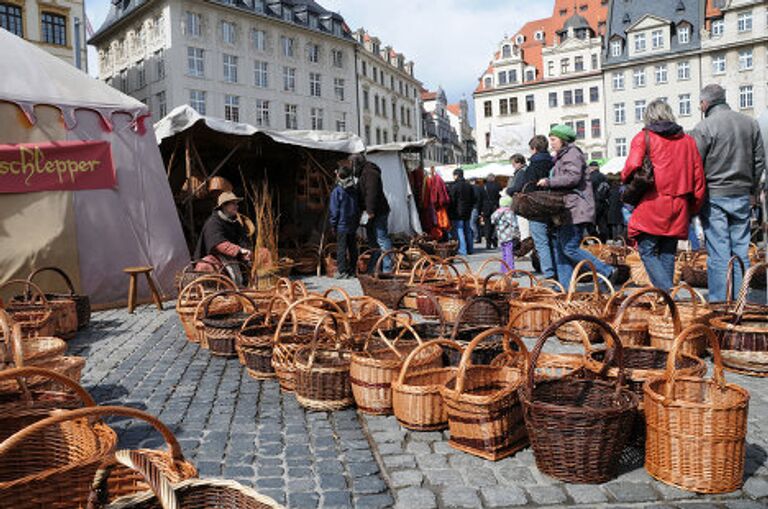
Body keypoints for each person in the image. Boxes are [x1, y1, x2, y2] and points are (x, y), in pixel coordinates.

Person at [692, 84, 766, 301]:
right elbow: (759, 161)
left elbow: (696, 165)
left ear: (705, 103)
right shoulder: (749, 123)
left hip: (714, 195)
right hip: (742, 193)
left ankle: (720, 303)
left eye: (700, 103)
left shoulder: (704, 127)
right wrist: (752, 189)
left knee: (719, 253)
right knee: (740, 250)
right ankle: (740, 300)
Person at [622, 99, 706, 291]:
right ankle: (666, 300)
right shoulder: (687, 141)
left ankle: (667, 293)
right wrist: (693, 207)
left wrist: (627, 181)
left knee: (646, 250)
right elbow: (698, 178)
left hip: (653, 201)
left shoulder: (644, 137)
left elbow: (631, 167)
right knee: (668, 252)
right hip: (679, 203)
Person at [537, 125, 626, 288]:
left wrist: (549, 182)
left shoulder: (572, 154)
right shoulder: (561, 156)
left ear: (563, 140)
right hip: (567, 209)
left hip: (576, 209)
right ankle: (564, 286)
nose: (551, 143)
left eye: (554, 139)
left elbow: (572, 177)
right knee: (560, 248)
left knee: (569, 248)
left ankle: (606, 270)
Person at [507, 137, 557, 279]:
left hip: (537, 208)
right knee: (553, 240)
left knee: (541, 242)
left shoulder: (532, 167)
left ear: (534, 149)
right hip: (555, 206)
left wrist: (510, 191)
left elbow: (525, 188)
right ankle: (558, 271)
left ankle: (549, 275)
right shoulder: (554, 162)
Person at [194, 191, 253, 285]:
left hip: (233, 259)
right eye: (233, 204)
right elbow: (218, 243)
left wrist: (246, 252)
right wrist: (239, 250)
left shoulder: (235, 223)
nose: (237, 206)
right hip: (216, 259)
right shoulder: (213, 223)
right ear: (224, 206)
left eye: (236, 204)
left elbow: (243, 240)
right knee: (206, 266)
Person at [350, 153, 394, 272]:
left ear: (357, 164)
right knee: (373, 242)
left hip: (378, 211)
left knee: (381, 239)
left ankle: (387, 268)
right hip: (372, 212)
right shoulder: (363, 173)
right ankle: (374, 267)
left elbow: (371, 193)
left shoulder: (370, 172)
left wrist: (370, 210)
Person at [329, 165, 360, 279]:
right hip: (352, 223)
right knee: (352, 247)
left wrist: (333, 224)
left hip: (342, 225)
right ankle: (353, 269)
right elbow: (357, 207)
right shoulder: (354, 190)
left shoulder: (337, 191)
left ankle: (342, 271)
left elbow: (334, 210)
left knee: (341, 248)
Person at [448, 168, 476, 256]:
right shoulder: (469, 186)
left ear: (456, 175)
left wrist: (450, 211)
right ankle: (470, 249)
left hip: (457, 212)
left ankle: (462, 250)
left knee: (459, 230)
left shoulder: (454, 186)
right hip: (467, 211)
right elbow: (474, 199)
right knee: (468, 230)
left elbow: (452, 200)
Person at [491, 194, 519, 272]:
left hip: (501, 236)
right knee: (510, 253)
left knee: (504, 254)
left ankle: (503, 269)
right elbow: (514, 224)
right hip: (508, 236)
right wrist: (517, 233)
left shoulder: (497, 212)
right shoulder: (508, 212)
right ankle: (510, 270)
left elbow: (492, 221)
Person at [587, 161, 610, 242]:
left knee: (590, 224)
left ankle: (596, 239)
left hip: (592, 203)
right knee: (602, 223)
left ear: (591, 168)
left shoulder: (590, 177)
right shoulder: (605, 177)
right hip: (604, 203)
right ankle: (603, 240)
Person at [483, 174, 502, 249]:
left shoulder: (483, 187)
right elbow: (500, 196)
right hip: (495, 207)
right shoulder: (498, 186)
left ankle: (488, 243)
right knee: (496, 225)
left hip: (486, 208)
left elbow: (481, 198)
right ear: (493, 178)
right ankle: (495, 241)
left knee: (487, 226)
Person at [470, 179, 486, 245]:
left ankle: (475, 237)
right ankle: (478, 237)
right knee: (477, 223)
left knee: (472, 223)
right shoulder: (481, 188)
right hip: (479, 207)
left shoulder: (473, 188)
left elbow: (475, 198)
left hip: (474, 207)